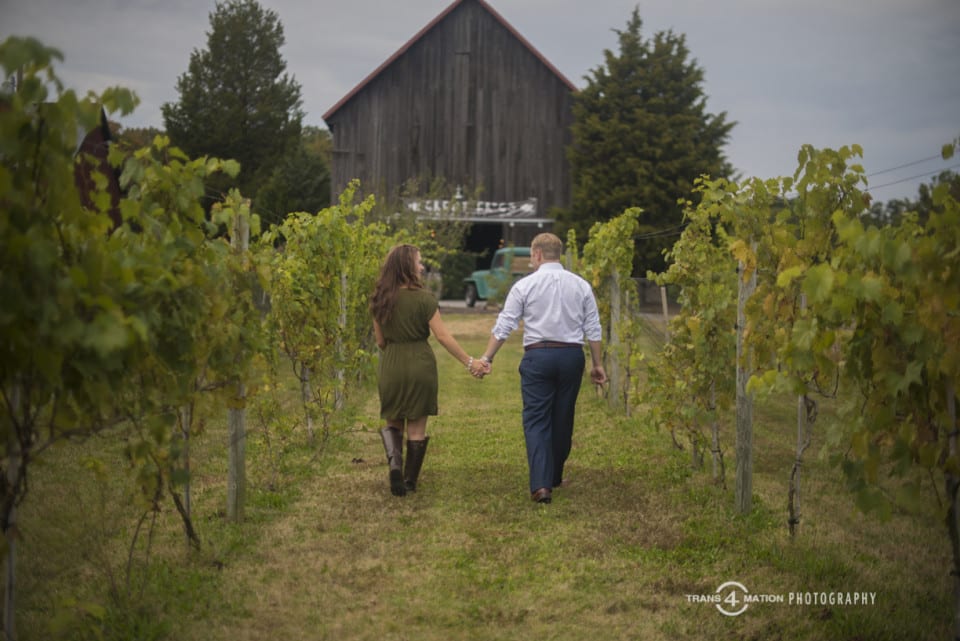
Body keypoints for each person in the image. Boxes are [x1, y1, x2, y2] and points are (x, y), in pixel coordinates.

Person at [479, 233, 607, 504]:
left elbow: (506, 324)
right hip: (571, 356)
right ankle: (555, 475)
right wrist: (597, 364)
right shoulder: (581, 286)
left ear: (537, 254)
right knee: (563, 416)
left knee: (536, 419)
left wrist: (487, 357)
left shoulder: (524, 286)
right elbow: (593, 327)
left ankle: (541, 485)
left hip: (537, 357)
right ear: (557, 254)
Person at [370, 244, 490, 496]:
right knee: (417, 427)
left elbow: (380, 342)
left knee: (394, 421)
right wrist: (470, 362)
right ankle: (409, 481)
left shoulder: (380, 299)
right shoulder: (425, 299)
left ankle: (395, 466)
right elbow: (443, 336)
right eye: (418, 262)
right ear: (407, 266)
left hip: (391, 364)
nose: (422, 267)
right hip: (420, 364)